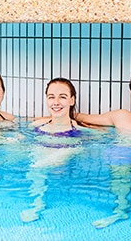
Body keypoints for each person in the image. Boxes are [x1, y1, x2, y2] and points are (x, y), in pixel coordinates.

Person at [21, 78, 87, 223]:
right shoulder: (36, 126)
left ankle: (37, 203)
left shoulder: (78, 130)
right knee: (38, 161)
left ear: (72, 100)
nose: (56, 102)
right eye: (51, 97)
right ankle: (38, 201)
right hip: (42, 156)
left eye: (62, 97)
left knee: (38, 166)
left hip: (65, 156)